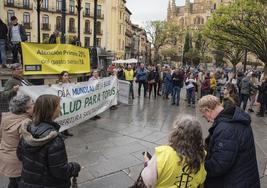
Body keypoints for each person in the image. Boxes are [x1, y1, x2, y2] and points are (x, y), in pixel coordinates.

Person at [17, 94, 81, 188]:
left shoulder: (28, 130)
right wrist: (75, 167)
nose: (60, 108)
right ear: (51, 110)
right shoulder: (55, 139)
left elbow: (20, 155)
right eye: (58, 106)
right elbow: (60, 171)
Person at [198, 95, 260, 188]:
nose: (206, 119)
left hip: (236, 181)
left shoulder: (226, 128)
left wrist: (198, 167)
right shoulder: (232, 118)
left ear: (208, 110)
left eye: (204, 115)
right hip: (243, 177)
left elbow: (219, 165)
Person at [141, 115, 206, 188]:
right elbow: (201, 178)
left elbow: (148, 181)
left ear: (176, 133)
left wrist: (147, 163)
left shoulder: (164, 153)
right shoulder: (201, 154)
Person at [0, 95, 33, 188]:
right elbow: (28, 146)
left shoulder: (6, 117)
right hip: (18, 162)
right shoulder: (25, 122)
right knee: (22, 183)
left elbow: (1, 136)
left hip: (5, 157)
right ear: (26, 109)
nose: (34, 106)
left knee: (13, 182)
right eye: (32, 104)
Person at [57, 71, 74, 137]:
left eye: (67, 75)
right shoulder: (57, 83)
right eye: (65, 75)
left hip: (67, 103)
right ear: (62, 76)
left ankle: (66, 131)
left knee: (67, 117)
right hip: (60, 104)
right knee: (61, 117)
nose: (66, 77)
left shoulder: (69, 83)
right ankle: (60, 132)